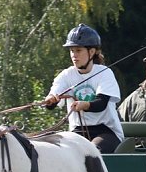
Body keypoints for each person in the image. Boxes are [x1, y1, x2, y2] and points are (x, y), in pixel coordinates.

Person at [43, 24, 124, 154]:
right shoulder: (65, 75)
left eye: (78, 50)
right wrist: (51, 99)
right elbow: (52, 100)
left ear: (91, 52)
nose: (74, 55)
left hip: (106, 131)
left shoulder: (105, 73)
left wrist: (83, 104)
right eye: (72, 51)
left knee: (91, 152)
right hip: (77, 131)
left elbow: (101, 104)